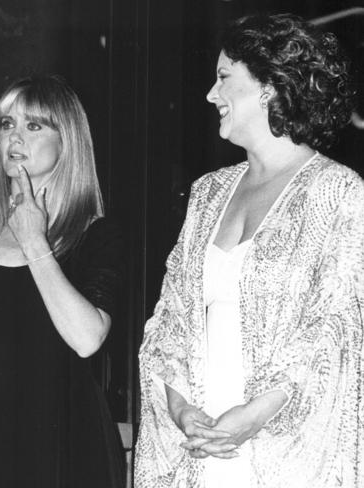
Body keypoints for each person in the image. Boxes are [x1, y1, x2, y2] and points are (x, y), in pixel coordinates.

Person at [134, 13, 363, 488]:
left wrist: (255, 417)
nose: (210, 95)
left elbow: (334, 332)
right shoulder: (208, 193)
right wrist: (181, 409)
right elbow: (170, 319)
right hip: (202, 446)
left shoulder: (338, 192)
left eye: (223, 79)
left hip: (283, 453)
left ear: (270, 87)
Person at [0, 75, 125, 488]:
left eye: (33, 125)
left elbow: (87, 339)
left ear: (67, 140)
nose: (14, 137)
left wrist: (34, 242)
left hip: (70, 441)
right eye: (6, 124)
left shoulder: (98, 235)